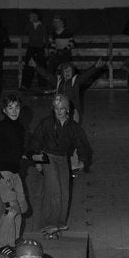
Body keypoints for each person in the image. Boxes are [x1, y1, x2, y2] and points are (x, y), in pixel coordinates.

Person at [28, 92, 93, 235]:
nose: (59, 112)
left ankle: (60, 222)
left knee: (64, 191)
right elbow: (36, 140)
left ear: (67, 110)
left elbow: (82, 144)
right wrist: (37, 160)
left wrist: (83, 161)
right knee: (54, 190)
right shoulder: (46, 123)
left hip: (63, 158)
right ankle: (49, 223)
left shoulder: (73, 127)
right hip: (48, 157)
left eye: (62, 108)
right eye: (56, 108)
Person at [0, 95, 29, 258]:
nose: (14, 111)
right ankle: (1, 243)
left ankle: (13, 239)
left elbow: (19, 148)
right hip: (2, 171)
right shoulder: (0, 127)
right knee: (13, 208)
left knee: (22, 207)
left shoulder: (19, 126)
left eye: (17, 107)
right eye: (10, 108)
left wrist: (29, 156)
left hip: (15, 171)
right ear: (4, 110)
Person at [33, 56, 107, 122]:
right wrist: (35, 65)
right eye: (65, 71)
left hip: (73, 111)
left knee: (72, 129)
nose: (67, 72)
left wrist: (95, 67)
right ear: (62, 72)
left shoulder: (76, 81)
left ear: (72, 72)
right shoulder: (58, 81)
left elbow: (86, 75)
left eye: (69, 71)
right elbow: (46, 75)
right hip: (60, 110)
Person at [20, 10, 51, 91]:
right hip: (31, 47)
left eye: (33, 16)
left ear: (37, 17)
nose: (31, 18)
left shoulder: (42, 26)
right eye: (30, 16)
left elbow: (46, 38)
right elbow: (26, 31)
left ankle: (42, 85)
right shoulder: (29, 25)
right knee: (28, 66)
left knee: (41, 65)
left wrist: (47, 49)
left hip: (40, 48)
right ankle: (25, 85)